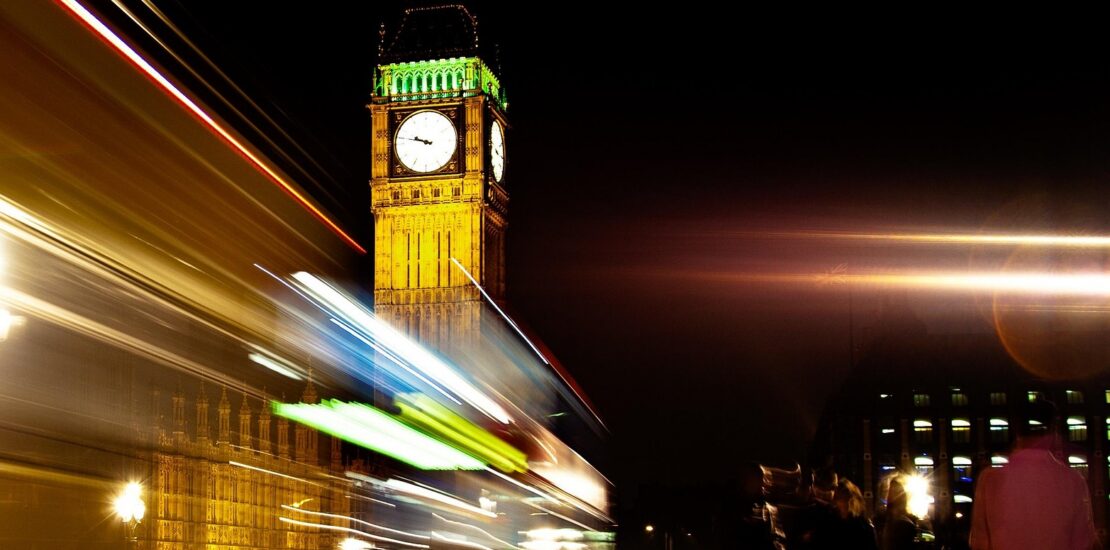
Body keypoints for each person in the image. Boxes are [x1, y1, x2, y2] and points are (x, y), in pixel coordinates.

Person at [968, 400, 1097, 549]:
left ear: (1016, 431)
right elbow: (1082, 543)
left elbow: (980, 542)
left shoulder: (990, 480)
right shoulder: (1073, 480)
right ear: (1053, 431)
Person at [825, 479, 879, 550]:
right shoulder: (829, 522)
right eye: (839, 496)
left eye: (844, 495)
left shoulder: (863, 525)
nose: (842, 501)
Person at [878, 475, 916, 550]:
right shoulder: (880, 520)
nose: (888, 495)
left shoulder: (905, 524)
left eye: (894, 491)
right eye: (888, 491)